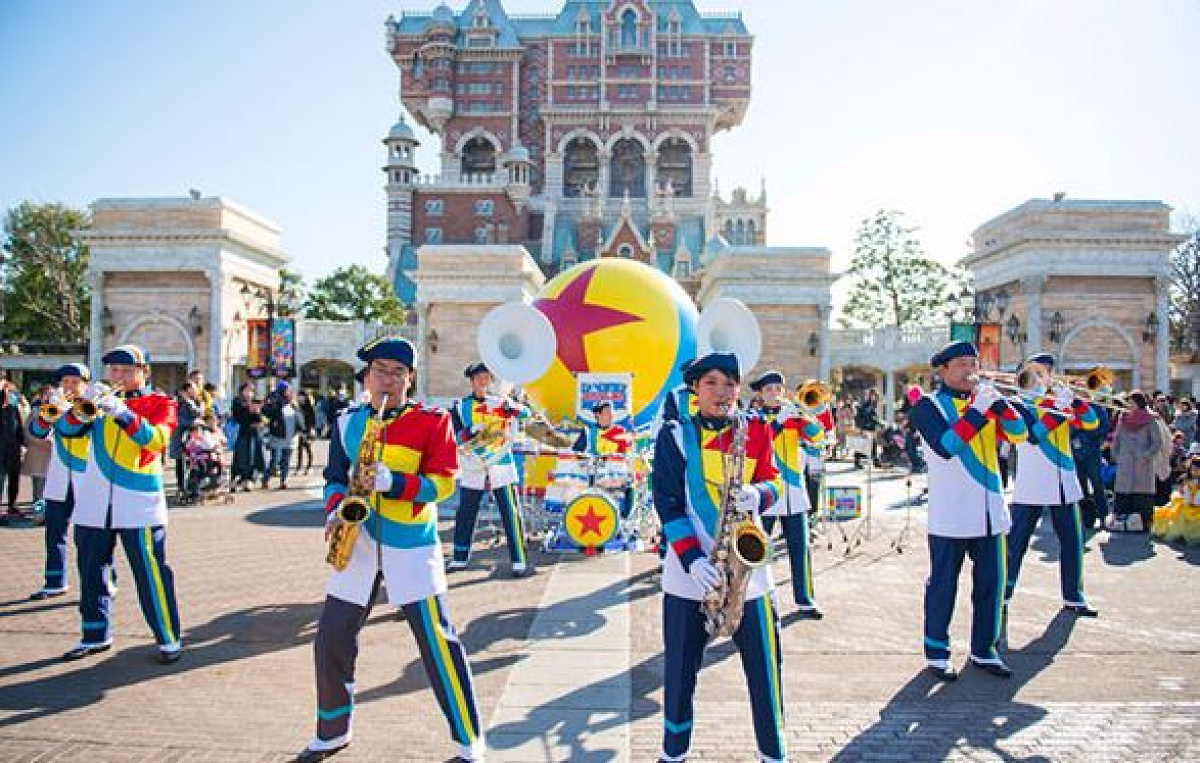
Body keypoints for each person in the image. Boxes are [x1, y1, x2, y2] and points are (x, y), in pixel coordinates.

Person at [299, 337, 484, 762]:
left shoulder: (432, 421)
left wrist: (395, 484)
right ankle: (333, 730)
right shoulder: (348, 422)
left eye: (397, 372)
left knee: (438, 644)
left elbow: (444, 483)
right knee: (330, 639)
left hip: (411, 543)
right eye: (380, 370)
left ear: (410, 378)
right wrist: (334, 510)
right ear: (366, 376)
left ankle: (470, 739)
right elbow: (333, 476)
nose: (388, 379)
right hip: (358, 542)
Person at [653, 352, 787, 763]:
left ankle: (774, 753)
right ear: (694, 388)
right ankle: (674, 752)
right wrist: (693, 560)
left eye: (730, 384)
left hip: (748, 571)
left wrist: (759, 495)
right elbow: (669, 503)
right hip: (690, 572)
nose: (722, 392)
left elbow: (775, 481)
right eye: (711, 383)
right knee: (679, 670)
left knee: (765, 670)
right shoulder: (674, 435)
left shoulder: (757, 430)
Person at [908, 341, 1028, 680]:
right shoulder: (927, 406)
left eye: (973, 362)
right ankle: (936, 650)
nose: (969, 369)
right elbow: (948, 447)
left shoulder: (988, 402)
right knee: (944, 583)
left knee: (992, 583)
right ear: (943, 370)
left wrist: (1002, 407)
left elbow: (1020, 436)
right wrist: (978, 411)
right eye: (961, 363)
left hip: (991, 510)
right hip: (952, 513)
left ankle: (984, 649)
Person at [56, 344, 182, 663]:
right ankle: (95, 633)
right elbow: (68, 430)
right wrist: (83, 405)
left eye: (126, 370)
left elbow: (156, 440)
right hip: (94, 499)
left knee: (150, 572)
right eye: (113, 370)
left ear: (144, 372)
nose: (119, 376)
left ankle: (168, 638)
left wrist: (123, 413)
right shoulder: (95, 403)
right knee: (91, 569)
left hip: (137, 500)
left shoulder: (160, 402)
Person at [1004, 353, 1101, 619]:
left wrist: (1076, 402)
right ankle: (1004, 593)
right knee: (1016, 543)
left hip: (1064, 481)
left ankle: (1074, 595)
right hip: (1031, 483)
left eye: (1047, 371)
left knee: (1072, 541)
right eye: (1038, 371)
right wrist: (1059, 408)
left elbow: (1092, 423)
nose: (1043, 377)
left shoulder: (1058, 400)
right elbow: (1033, 435)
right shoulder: (1018, 402)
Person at [26, 364, 110, 600]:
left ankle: (105, 582)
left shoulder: (95, 406)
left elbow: (77, 429)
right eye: (65, 382)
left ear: (86, 384)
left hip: (89, 477)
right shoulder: (57, 406)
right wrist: (48, 413)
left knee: (93, 537)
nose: (69, 387)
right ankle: (55, 581)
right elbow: (37, 431)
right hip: (59, 476)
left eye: (75, 382)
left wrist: (66, 412)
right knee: (54, 531)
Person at [751, 371, 826, 620]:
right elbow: (758, 443)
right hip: (768, 494)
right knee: (757, 549)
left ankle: (805, 599)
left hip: (794, 494)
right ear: (760, 395)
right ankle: (753, 597)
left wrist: (805, 416)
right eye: (769, 389)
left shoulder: (794, 417)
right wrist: (778, 422)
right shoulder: (756, 418)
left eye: (778, 389)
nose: (775, 393)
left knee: (800, 549)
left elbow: (818, 438)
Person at [448, 362, 533, 577]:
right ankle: (459, 557)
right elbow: (454, 436)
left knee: (509, 510)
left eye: (486, 378)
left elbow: (526, 415)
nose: (482, 382)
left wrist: (516, 408)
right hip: (473, 461)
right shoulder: (459, 405)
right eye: (478, 378)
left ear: (491, 380)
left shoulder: (501, 402)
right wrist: (469, 432)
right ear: (472, 381)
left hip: (500, 459)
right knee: (467, 509)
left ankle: (518, 560)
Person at [1109, 391, 1164, 532]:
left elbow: (1157, 441)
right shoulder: (1123, 417)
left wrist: (1146, 455)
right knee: (1123, 490)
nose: (1129, 405)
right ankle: (1122, 519)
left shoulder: (1151, 418)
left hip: (1142, 463)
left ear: (1139, 402)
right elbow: (1117, 437)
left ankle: (1143, 522)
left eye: (1132, 402)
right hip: (1125, 461)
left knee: (1142, 493)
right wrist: (1115, 453)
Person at [572, 400, 636, 518]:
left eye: (612, 412)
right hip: (592, 474)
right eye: (607, 412)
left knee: (631, 485)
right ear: (598, 415)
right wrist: (586, 463)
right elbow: (577, 453)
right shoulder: (588, 432)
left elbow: (626, 456)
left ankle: (625, 518)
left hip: (615, 473)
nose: (611, 415)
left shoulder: (620, 432)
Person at [171, 381, 204, 500]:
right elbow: (174, 416)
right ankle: (181, 487)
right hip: (180, 435)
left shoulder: (198, 401)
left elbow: (199, 413)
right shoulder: (178, 402)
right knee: (180, 462)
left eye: (195, 388)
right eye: (193, 388)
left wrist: (189, 402)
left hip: (193, 434)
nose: (195, 390)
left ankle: (192, 486)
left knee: (194, 460)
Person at [22, 385, 54, 509]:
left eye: (52, 394)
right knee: (39, 488)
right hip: (38, 456)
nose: (49, 397)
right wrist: (43, 443)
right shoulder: (35, 412)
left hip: (54, 458)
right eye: (46, 394)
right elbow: (27, 433)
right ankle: (38, 514)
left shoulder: (61, 411)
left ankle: (49, 516)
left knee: (53, 491)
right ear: (40, 397)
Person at [263, 382, 299, 489]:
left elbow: (299, 416)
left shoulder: (293, 403)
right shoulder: (275, 401)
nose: (290, 392)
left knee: (286, 460)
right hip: (277, 436)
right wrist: (277, 405)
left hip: (291, 436)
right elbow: (267, 412)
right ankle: (266, 478)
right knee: (275, 460)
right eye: (287, 390)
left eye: (290, 390)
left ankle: (284, 481)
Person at [230, 382, 265, 491]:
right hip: (243, 433)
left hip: (254, 434)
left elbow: (259, 419)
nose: (251, 393)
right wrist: (249, 408)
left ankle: (249, 480)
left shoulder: (254, 402)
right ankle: (237, 480)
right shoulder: (237, 401)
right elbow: (238, 416)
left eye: (252, 390)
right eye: (249, 390)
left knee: (254, 457)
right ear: (243, 390)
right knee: (241, 458)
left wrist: (257, 412)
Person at [0, 381, 26, 519]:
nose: (9, 395)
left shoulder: (14, 408)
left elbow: (19, 427)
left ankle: (12, 506)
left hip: (13, 449)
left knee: (14, 479)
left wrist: (23, 443)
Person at [296, 389, 317, 475]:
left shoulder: (310, 406)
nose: (300, 398)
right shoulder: (298, 406)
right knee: (300, 449)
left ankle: (309, 467)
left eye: (301, 396)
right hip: (301, 430)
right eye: (299, 396)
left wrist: (311, 429)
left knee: (308, 449)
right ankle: (298, 467)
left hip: (309, 430)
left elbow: (313, 419)